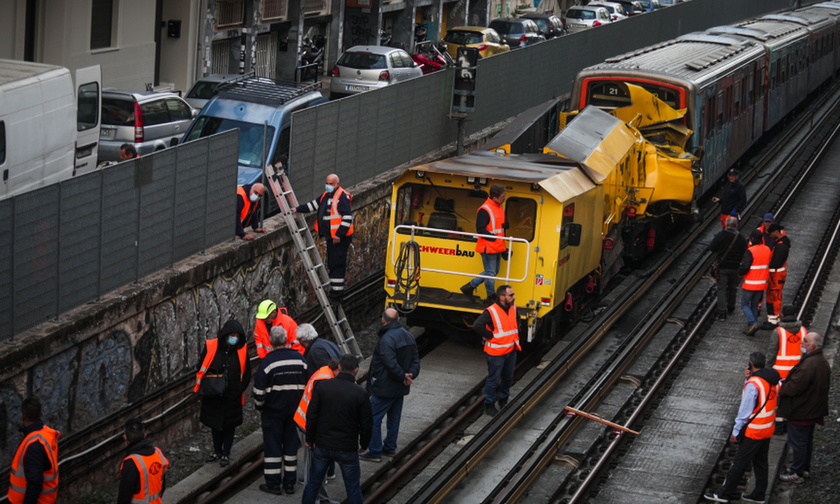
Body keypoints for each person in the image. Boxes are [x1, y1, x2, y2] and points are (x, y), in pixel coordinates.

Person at [704, 352, 780, 504]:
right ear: (765, 364)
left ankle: (723, 494)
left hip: (754, 430)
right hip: (768, 428)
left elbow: (745, 411)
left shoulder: (753, 384)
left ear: (750, 365)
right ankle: (759, 494)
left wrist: (736, 431)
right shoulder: (774, 381)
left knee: (739, 463)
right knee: (761, 463)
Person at [302, 354, 373, 504]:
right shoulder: (360, 393)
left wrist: (309, 439)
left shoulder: (322, 387)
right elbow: (367, 423)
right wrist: (364, 444)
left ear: (339, 367)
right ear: (356, 370)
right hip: (347, 448)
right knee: (352, 487)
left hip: (322, 446)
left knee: (313, 483)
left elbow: (312, 415)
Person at [361, 308, 421, 462]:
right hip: (400, 388)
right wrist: (410, 375)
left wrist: (403, 377)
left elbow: (390, 364)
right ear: (399, 319)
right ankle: (389, 447)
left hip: (384, 387)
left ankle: (374, 451)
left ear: (383, 320)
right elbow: (415, 360)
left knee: (373, 418)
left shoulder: (386, 340)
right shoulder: (408, 336)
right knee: (394, 418)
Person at [253, 326, 307, 495]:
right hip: (294, 411)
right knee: (291, 447)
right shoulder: (300, 359)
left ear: (270, 341)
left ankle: (273, 483)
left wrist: (260, 408)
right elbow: (309, 386)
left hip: (273, 412)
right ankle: (290, 484)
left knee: (273, 447)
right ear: (286, 340)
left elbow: (258, 392)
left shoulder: (267, 363)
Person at [194, 319, 252, 467]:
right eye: (232, 335)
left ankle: (226, 452)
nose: (234, 338)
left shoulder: (242, 349)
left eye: (237, 336)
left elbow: (247, 373)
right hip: (214, 394)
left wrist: (240, 389)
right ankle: (217, 451)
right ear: (225, 335)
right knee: (215, 425)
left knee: (229, 426)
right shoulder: (211, 346)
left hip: (232, 395)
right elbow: (202, 367)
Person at [777, 332, 831, 484]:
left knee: (798, 442)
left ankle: (796, 473)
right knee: (806, 441)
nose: (802, 343)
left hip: (801, 411)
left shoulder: (808, 365)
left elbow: (793, 388)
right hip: (812, 410)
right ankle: (804, 469)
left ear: (812, 346)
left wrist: (781, 386)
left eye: (805, 341)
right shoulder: (820, 361)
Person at [292, 174, 353, 303]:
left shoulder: (342, 197)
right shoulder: (326, 195)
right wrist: (297, 209)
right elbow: (313, 205)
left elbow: (347, 218)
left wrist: (339, 234)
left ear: (337, 184)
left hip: (339, 238)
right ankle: (334, 292)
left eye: (331, 183)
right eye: (327, 183)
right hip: (332, 237)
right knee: (332, 263)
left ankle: (336, 296)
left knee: (337, 264)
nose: (328, 186)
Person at [294, 359, 339, 503]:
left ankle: (323, 499)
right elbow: (317, 411)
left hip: (305, 424)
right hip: (307, 427)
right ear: (338, 367)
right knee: (312, 471)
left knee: (316, 469)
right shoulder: (325, 380)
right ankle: (314, 501)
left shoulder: (325, 372)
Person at [473, 284, 521, 416]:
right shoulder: (491, 311)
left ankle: (503, 400)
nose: (514, 297)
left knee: (507, 377)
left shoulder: (513, 308)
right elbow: (477, 325)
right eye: (511, 295)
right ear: (501, 297)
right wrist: (489, 335)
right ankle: (489, 404)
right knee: (493, 380)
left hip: (510, 351)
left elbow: (517, 321)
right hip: (496, 354)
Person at [8, 396, 59, 504]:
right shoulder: (47, 434)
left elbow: (35, 483)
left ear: (22, 417)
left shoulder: (33, 446)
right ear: (41, 414)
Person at [461, 184, 508, 301]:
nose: (504, 199)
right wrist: (494, 238)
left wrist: (505, 227)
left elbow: (499, 228)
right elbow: (480, 229)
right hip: (489, 247)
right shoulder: (484, 210)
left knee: (492, 272)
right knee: (490, 273)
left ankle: (470, 286)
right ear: (494, 198)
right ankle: (491, 296)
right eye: (502, 197)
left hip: (497, 246)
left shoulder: (499, 207)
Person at [117, 419, 168, 504]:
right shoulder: (158, 453)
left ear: (125, 438)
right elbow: (162, 485)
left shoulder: (131, 463)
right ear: (144, 436)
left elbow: (124, 497)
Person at [709, 216, 748, 320]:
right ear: (736, 225)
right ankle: (731, 306)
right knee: (733, 287)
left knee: (721, 289)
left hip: (722, 266)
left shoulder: (720, 235)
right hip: (735, 266)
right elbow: (745, 251)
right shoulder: (741, 237)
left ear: (726, 224)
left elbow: (712, 248)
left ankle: (722, 312)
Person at [738, 229, 771, 336]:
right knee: (755, 304)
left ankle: (753, 323)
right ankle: (750, 328)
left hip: (750, 283)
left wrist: (739, 272)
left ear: (752, 239)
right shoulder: (767, 249)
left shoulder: (750, 251)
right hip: (762, 284)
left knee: (744, 304)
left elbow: (745, 266)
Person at [762, 223, 790, 328]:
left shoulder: (781, 246)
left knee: (774, 297)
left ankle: (773, 321)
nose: (770, 236)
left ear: (775, 232)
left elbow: (776, 263)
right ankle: (772, 319)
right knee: (774, 296)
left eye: (770, 234)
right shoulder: (783, 243)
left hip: (776, 276)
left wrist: (765, 263)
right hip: (777, 275)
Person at [767, 305, 806, 380]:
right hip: (798, 373)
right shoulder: (803, 331)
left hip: (780, 373)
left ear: (782, 315)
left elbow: (772, 352)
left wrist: (767, 368)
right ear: (795, 315)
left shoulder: (778, 332)